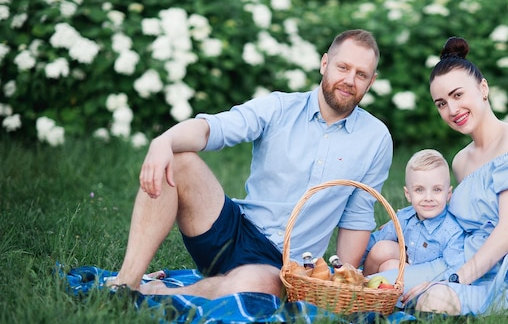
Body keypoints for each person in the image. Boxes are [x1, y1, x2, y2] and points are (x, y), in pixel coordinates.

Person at [106, 29, 393, 299]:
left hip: (284, 266)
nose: (349, 80)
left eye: (361, 74)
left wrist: (341, 281)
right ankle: (126, 282)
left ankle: (156, 293)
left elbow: (357, 216)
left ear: (371, 81)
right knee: (178, 160)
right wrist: (163, 142)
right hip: (234, 230)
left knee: (258, 285)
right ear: (324, 63)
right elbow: (212, 129)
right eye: (343, 68)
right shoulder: (279, 107)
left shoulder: (375, 138)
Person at [401, 37, 508, 316]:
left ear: (483, 88)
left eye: (458, 95)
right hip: (464, 257)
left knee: (433, 299)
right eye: (441, 103)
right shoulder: (461, 160)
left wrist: (451, 279)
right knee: (382, 282)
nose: (452, 110)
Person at [362, 149, 465, 286]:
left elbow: (455, 268)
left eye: (437, 190)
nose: (428, 198)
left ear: (448, 194)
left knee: (389, 268)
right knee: (382, 248)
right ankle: (362, 285)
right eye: (419, 190)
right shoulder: (405, 217)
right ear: (408, 194)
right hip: (407, 265)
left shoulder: (452, 231)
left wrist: (439, 287)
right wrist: (351, 263)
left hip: (428, 280)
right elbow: (375, 240)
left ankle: (381, 295)